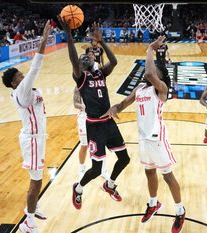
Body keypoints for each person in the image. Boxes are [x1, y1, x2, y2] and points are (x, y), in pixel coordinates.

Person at [101, 36, 185, 233]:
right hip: (143, 139)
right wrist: (115, 108)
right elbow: (123, 104)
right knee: (149, 172)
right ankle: (153, 203)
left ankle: (180, 210)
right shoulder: (140, 88)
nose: (151, 70)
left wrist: (150, 49)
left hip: (157, 138)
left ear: (160, 76)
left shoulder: (162, 89)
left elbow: (148, 72)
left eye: (156, 69)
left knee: (167, 175)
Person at [58, 17, 130, 209]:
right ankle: (79, 188)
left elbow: (113, 61)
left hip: (109, 123)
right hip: (95, 126)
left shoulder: (100, 73)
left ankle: (110, 184)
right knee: (97, 169)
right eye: (82, 59)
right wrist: (69, 35)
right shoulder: (80, 78)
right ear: (79, 67)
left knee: (125, 159)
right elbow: (74, 58)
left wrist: (102, 41)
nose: (85, 58)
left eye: (87, 57)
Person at [1, 20, 51, 233]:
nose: (23, 76)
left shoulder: (23, 89)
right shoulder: (21, 90)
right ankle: (28, 223)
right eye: (20, 76)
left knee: (38, 179)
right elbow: (36, 64)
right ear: (14, 83)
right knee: (36, 181)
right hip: (32, 139)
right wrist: (44, 37)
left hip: (37, 137)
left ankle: (33, 206)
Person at [73, 86, 110, 180]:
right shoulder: (78, 86)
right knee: (84, 145)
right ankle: (81, 168)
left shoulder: (98, 85)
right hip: (83, 117)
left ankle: (103, 170)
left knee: (101, 144)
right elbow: (76, 103)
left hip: (97, 117)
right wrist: (87, 107)